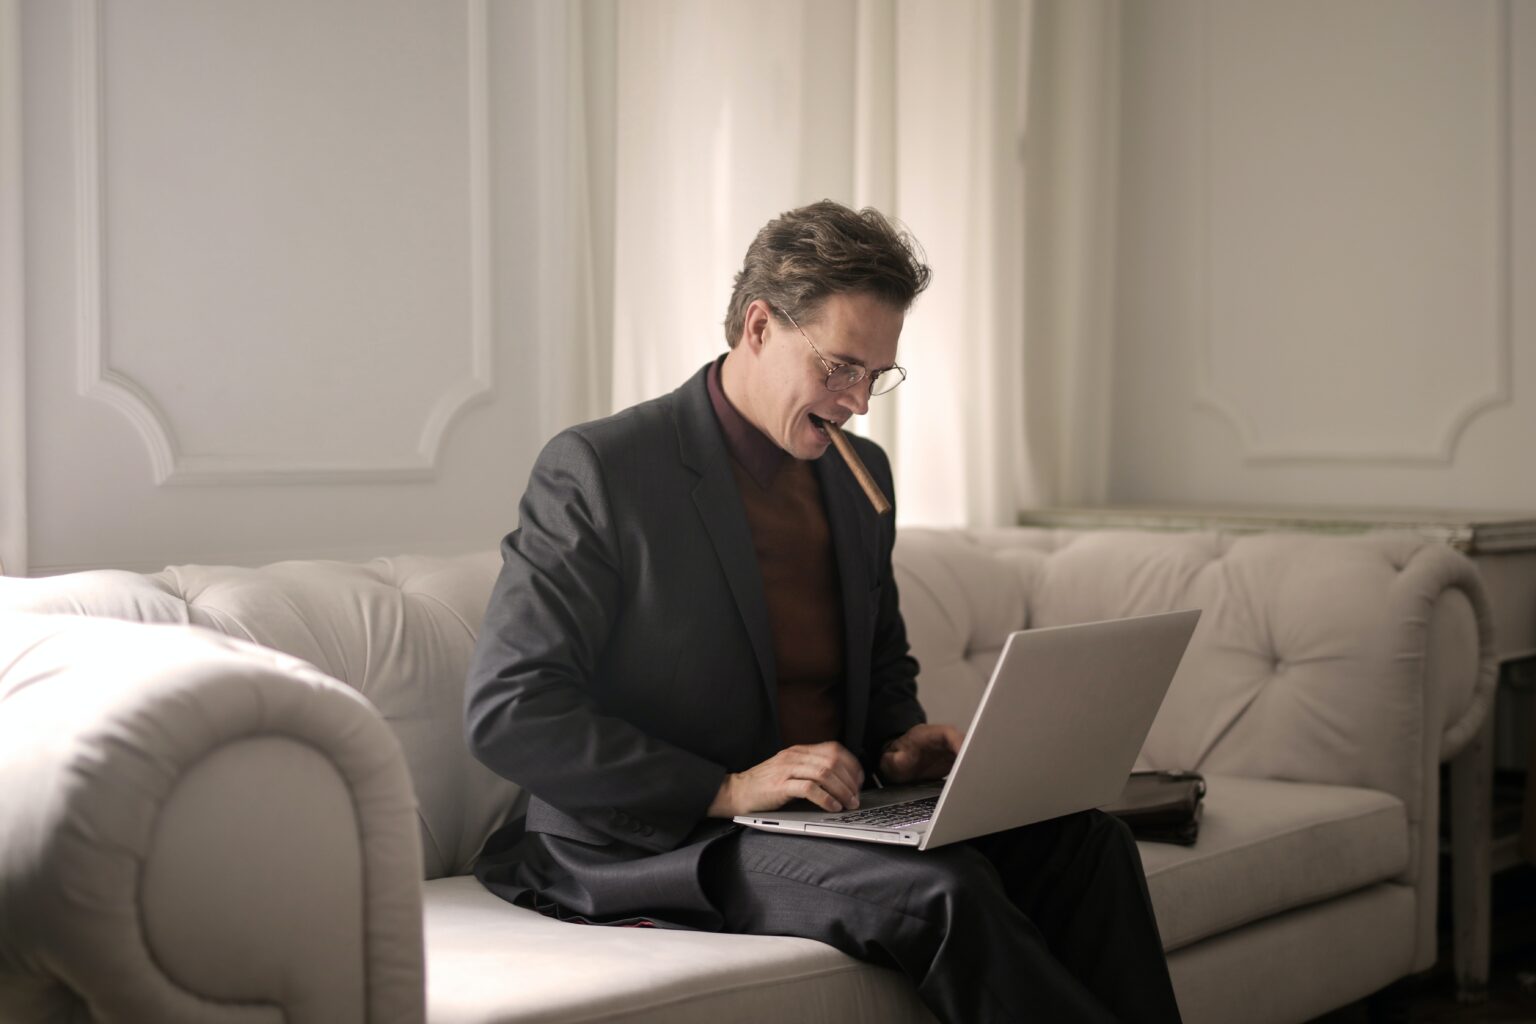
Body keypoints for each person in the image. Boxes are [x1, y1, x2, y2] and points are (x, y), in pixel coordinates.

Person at [465, 200, 1182, 1023]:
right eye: (841, 368)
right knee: (941, 895)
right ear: (760, 326)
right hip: (665, 837)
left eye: (877, 375)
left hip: (817, 822)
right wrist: (728, 788)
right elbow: (509, 710)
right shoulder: (601, 469)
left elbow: (879, 667)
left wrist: (902, 745)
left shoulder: (857, 475)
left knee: (1090, 847)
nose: (860, 402)